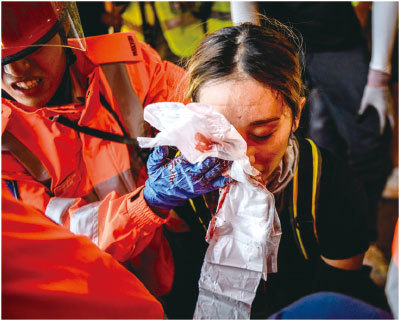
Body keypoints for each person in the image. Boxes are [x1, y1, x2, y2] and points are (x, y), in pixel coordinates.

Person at [149, 20, 390, 318]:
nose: (245, 158)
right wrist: (155, 206)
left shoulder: (331, 187)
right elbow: (183, 286)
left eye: (262, 134)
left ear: (297, 113)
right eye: (221, 137)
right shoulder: (183, 187)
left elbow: (333, 299)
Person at [1, 1, 230, 298]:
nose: (16, 70)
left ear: (64, 33)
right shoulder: (6, 142)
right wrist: (148, 203)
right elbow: (60, 239)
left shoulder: (127, 65)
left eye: (30, 50)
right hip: (95, 294)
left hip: (176, 256)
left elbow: (204, 109)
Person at [230, 1, 398, 244]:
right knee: (285, 147)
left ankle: (360, 237)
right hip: (276, 43)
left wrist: (379, 77)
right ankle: (295, 238)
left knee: (369, 144)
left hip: (339, 44)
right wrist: (253, 68)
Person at [2, 185, 163, 319]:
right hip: (127, 288)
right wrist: (148, 201)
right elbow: (74, 234)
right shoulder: (9, 175)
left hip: (150, 266)